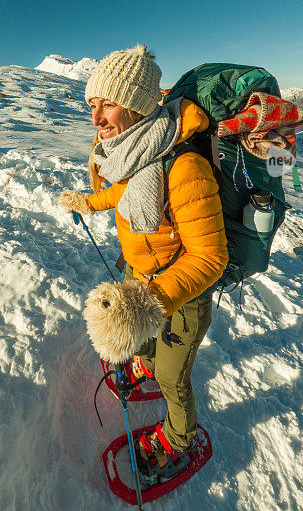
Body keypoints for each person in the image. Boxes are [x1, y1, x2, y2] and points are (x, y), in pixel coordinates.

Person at [59, 44, 228, 477]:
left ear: (135, 106)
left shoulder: (184, 167)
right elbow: (126, 193)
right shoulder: (135, 157)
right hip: (141, 280)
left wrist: (148, 302)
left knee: (173, 378)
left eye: (108, 105)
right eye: (93, 104)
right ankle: (145, 363)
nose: (96, 119)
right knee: (148, 346)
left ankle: (178, 439)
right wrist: (90, 202)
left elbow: (210, 257)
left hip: (181, 298)